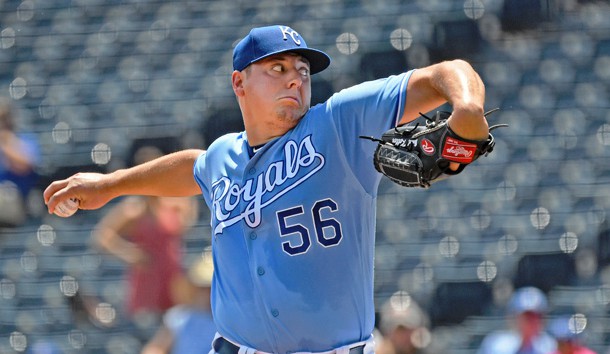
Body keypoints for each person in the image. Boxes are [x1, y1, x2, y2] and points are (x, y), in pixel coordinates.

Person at [44, 24, 491, 354]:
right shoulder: (223, 156)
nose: (296, 78)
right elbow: (193, 168)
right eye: (277, 68)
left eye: (301, 70)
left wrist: (467, 106)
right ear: (239, 82)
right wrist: (109, 185)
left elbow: (447, 72)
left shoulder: (338, 123)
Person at [92, 145, 199, 319]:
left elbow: (188, 215)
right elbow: (102, 235)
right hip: (148, 282)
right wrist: (130, 254)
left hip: (173, 279)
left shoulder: (174, 204)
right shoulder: (134, 210)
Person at [141, 248, 217, 354]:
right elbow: (157, 347)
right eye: (203, 288)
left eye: (211, 288)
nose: (207, 293)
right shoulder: (180, 316)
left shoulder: (231, 322)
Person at [478, 286, 557, 354]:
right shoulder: (495, 344)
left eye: (537, 316)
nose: (533, 321)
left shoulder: (548, 346)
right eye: (527, 317)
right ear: (514, 318)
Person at [0, 96, 40, 227]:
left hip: (21, 201)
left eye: (4, 118)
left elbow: (24, 164)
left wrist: (5, 141)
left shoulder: (23, 139)